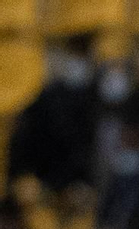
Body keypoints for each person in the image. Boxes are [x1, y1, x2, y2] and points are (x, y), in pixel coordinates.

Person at [6, 35, 100, 197]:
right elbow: (27, 138)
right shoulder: (47, 98)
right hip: (47, 175)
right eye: (74, 54)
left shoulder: (100, 97)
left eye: (82, 55)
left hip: (85, 182)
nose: (77, 61)